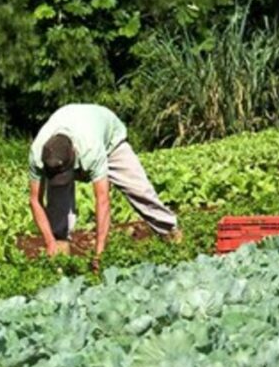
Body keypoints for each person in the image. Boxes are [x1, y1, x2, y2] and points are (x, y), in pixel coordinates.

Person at [28, 104, 181, 271]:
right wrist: (50, 241)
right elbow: (35, 200)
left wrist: (99, 254)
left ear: (74, 153)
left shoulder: (91, 148)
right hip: (72, 128)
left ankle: (170, 232)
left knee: (138, 188)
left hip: (110, 143)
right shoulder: (38, 155)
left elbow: (102, 199)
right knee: (57, 202)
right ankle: (60, 255)